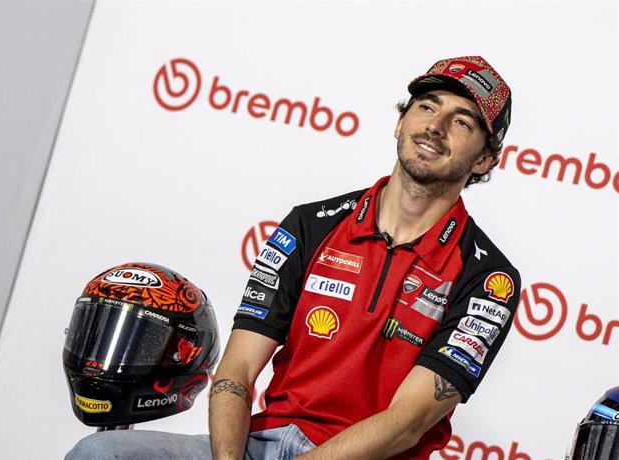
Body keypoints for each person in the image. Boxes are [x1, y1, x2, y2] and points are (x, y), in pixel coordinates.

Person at [67, 55, 520, 460]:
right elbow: (238, 371)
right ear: (400, 123)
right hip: (258, 445)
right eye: (427, 106)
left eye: (461, 122)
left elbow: (408, 422)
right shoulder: (311, 225)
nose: (435, 127)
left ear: (484, 159)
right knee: (100, 452)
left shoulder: (488, 278)